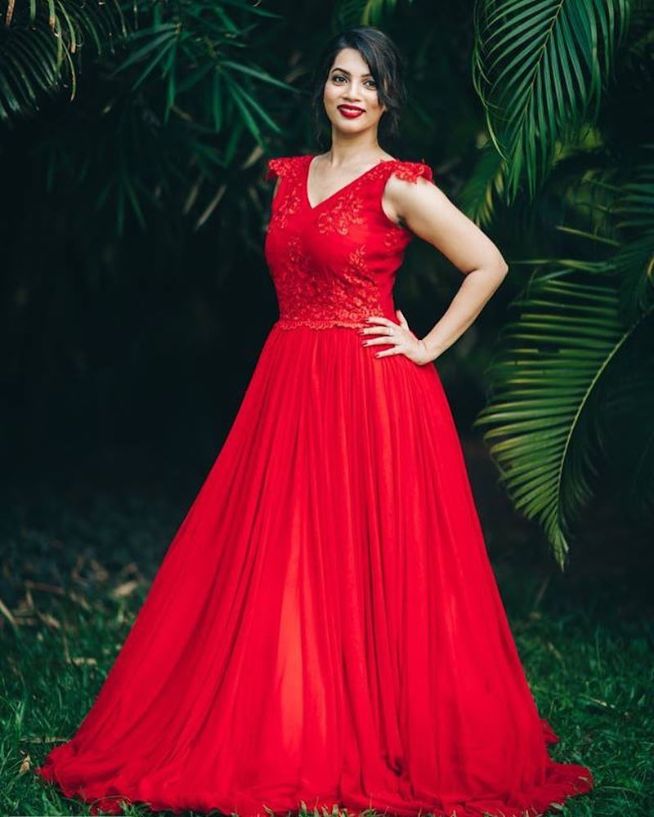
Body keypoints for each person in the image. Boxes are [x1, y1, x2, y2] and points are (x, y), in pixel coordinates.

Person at [35, 25, 594, 817]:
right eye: (339, 77)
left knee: (371, 556)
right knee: (283, 553)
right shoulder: (290, 178)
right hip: (289, 383)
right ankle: (297, 716)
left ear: (386, 97)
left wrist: (426, 344)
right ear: (323, 90)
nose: (352, 92)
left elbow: (488, 262)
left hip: (372, 391)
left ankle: (375, 721)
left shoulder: (399, 185)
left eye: (367, 81)